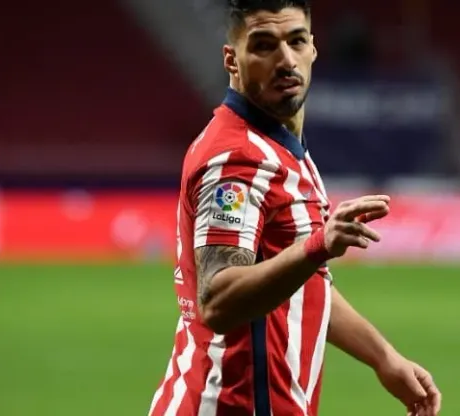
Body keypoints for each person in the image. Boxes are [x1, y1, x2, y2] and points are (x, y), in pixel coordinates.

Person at [148, 1, 442, 415]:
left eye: (296, 41)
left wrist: (383, 357)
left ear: (313, 48)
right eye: (264, 45)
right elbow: (218, 300)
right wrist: (318, 246)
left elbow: (301, 284)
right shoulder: (237, 160)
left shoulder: (282, 148)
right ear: (232, 60)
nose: (285, 60)